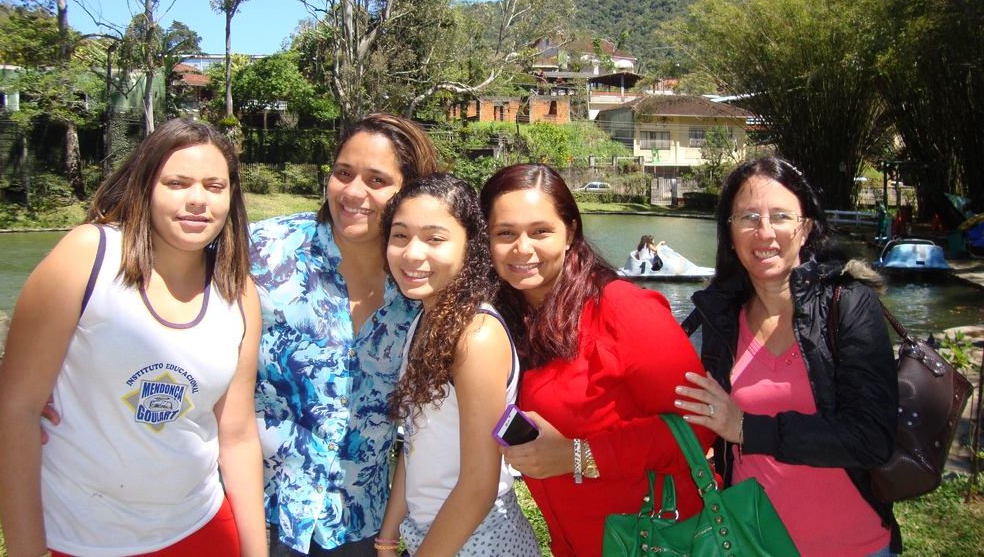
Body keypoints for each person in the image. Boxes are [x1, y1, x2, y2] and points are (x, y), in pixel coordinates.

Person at [0, 118, 266, 557]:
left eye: (215, 186)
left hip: (202, 526)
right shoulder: (88, 256)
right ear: (145, 187)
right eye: (177, 183)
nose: (198, 199)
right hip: (80, 537)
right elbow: (16, 413)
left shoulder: (239, 290)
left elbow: (237, 436)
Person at [478, 163, 715, 557]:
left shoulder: (621, 309)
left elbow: (700, 425)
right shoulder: (501, 321)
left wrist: (577, 455)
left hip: (659, 541)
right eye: (505, 233)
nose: (522, 248)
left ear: (570, 232)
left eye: (540, 231)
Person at [676, 156, 900, 557]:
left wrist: (747, 428)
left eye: (781, 216)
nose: (764, 232)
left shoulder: (847, 303)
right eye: (748, 218)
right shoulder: (721, 317)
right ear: (730, 232)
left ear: (806, 228)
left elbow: (872, 437)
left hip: (854, 547)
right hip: (749, 544)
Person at [249, 113, 438, 556]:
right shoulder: (263, 250)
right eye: (343, 173)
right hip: (262, 514)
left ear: (409, 193)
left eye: (377, 180)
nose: (353, 192)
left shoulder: (420, 286)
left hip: (360, 524)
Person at [376, 173, 542, 557]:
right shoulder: (425, 319)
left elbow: (478, 487)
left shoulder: (475, 336)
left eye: (434, 239)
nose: (412, 253)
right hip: (432, 535)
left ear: (470, 247)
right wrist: (388, 536)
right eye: (400, 235)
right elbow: (415, 441)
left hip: (479, 541)